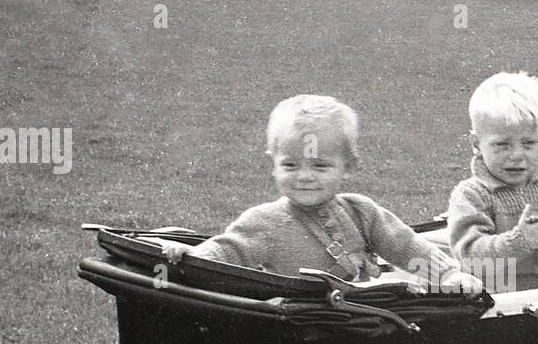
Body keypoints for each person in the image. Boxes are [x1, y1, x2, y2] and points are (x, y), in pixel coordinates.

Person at [168, 94, 482, 294]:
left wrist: (448, 275)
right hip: (303, 327)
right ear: (273, 165)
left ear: (348, 167)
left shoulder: (362, 212)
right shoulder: (266, 222)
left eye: (320, 166)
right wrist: (194, 257)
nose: (304, 176)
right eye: (290, 164)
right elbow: (229, 251)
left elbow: (406, 246)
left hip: (360, 319)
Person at [447, 71, 538, 292]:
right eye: (502, 144)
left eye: (528, 143)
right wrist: (522, 241)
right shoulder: (472, 195)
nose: (517, 155)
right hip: (490, 304)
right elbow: (469, 255)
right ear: (476, 143)